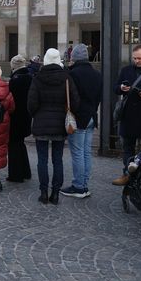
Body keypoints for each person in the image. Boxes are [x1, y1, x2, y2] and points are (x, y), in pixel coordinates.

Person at [28, 48, 80, 205]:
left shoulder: (37, 78)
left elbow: (31, 103)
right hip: (59, 124)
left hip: (42, 123)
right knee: (57, 160)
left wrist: (37, 115)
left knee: (42, 160)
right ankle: (55, 193)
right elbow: (75, 102)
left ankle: (43, 192)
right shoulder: (66, 78)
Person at [61, 43, 102, 198]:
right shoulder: (97, 74)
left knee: (78, 153)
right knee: (86, 153)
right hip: (91, 116)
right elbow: (99, 97)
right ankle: (84, 185)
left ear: (74, 57)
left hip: (78, 118)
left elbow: (72, 98)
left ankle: (79, 187)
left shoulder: (72, 74)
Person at [112, 44, 141, 185]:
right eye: (134, 58)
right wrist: (121, 88)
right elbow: (115, 88)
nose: (136, 61)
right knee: (127, 150)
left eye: (140, 58)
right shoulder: (126, 70)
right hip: (128, 118)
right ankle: (127, 175)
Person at [7, 54, 33, 183]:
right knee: (20, 144)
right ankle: (25, 171)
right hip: (26, 116)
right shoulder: (29, 77)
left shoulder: (16, 79)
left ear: (14, 66)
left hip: (15, 117)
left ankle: (16, 175)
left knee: (14, 146)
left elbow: (10, 100)